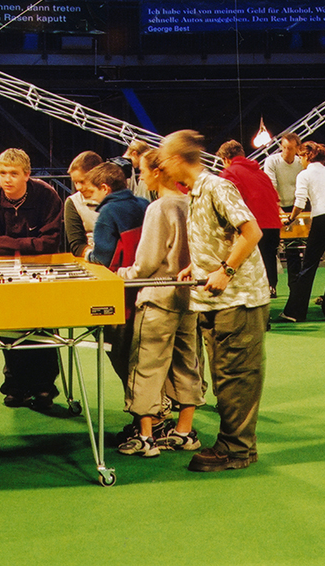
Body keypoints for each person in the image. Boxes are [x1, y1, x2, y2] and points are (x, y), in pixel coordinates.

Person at [161, 129, 269, 472]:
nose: (161, 168)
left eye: (164, 161)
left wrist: (225, 270)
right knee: (225, 376)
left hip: (238, 300)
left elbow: (251, 232)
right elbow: (220, 237)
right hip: (218, 301)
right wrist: (197, 266)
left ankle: (235, 450)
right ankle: (237, 445)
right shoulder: (197, 192)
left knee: (236, 377)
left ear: (177, 159)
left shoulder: (217, 187)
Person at [115, 149, 202, 457]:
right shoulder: (192, 203)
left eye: (142, 170)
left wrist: (121, 274)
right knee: (187, 364)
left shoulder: (158, 207)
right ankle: (184, 432)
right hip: (189, 297)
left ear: (157, 172)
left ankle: (145, 438)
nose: (139, 176)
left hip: (158, 298)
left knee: (146, 366)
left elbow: (147, 263)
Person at [0, 148, 64, 411]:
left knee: (43, 327)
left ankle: (45, 387)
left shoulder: (47, 195)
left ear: (27, 174)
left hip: (42, 270)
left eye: (13, 173)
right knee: (9, 328)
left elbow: (50, 243)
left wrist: (1, 242)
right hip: (3, 272)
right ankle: (15, 386)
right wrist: (27, 244)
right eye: (2, 173)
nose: (7, 179)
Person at [85, 161, 150, 388]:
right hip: (147, 286)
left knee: (120, 352)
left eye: (92, 190)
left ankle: (134, 400)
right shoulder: (144, 204)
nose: (89, 195)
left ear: (105, 188)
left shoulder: (108, 212)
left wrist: (88, 254)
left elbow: (102, 257)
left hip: (120, 293)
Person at [278, 142, 325, 323]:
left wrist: (290, 219)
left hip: (321, 220)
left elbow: (300, 203)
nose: (299, 160)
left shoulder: (304, 175)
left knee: (308, 267)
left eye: (300, 156)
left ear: (306, 156)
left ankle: (295, 313)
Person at [217, 140, 283, 299]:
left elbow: (230, 202)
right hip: (273, 225)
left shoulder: (229, 173)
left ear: (226, 159)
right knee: (269, 259)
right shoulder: (261, 174)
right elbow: (276, 198)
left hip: (251, 228)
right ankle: (271, 287)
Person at [264, 132, 304, 291]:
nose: (286, 151)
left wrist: (294, 212)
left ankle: (295, 286)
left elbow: (304, 188)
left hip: (295, 208)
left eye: (290, 148)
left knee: (293, 248)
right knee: (270, 247)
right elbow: (271, 187)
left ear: (298, 149)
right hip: (274, 207)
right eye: (284, 147)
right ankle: (271, 286)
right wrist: (279, 210)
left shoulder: (301, 163)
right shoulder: (271, 161)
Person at [64, 151, 102, 258]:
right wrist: (97, 257)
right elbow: (77, 245)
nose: (78, 188)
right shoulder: (73, 202)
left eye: (82, 181)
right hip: (92, 258)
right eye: (75, 182)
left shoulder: (116, 198)